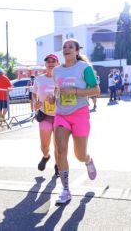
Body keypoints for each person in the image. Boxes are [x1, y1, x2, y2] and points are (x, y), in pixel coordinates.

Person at [52, 39, 100, 205]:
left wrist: (75, 91)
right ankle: (65, 190)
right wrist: (53, 97)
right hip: (61, 114)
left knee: (79, 155)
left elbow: (96, 90)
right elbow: (57, 89)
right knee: (60, 150)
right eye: (64, 47)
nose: (66, 49)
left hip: (79, 113)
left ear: (77, 51)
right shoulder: (57, 70)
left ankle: (88, 160)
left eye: (70, 47)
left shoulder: (84, 68)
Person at [32, 54, 60, 177]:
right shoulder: (39, 79)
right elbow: (33, 93)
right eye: (48, 61)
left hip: (60, 116)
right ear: (45, 64)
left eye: (53, 61)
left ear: (58, 63)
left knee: (58, 145)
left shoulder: (61, 78)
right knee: (44, 146)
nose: (51, 63)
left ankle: (58, 165)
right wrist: (35, 102)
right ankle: (46, 156)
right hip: (45, 115)